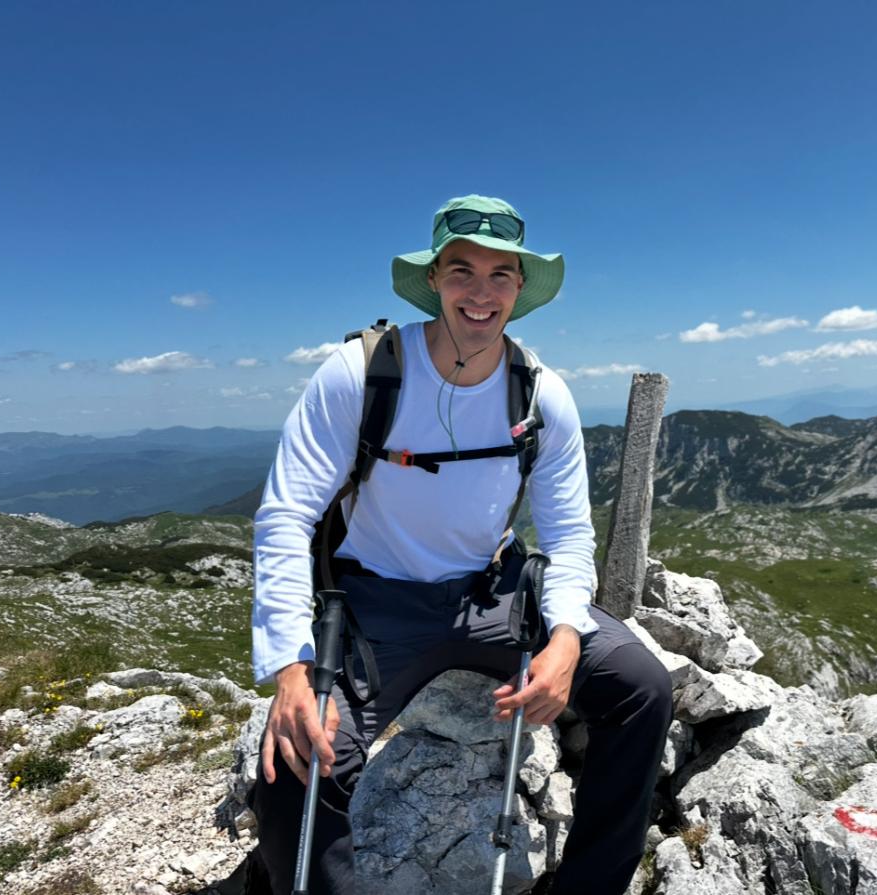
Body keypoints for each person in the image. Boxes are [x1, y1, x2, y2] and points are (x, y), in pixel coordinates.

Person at [246, 195, 674, 895]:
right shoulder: (363, 372)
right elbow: (287, 513)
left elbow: (569, 534)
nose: (482, 292)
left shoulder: (539, 394)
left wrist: (567, 638)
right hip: (375, 605)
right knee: (295, 768)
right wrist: (291, 668)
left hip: (494, 593)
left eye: (501, 274)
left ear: (520, 288)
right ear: (434, 279)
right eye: (462, 271)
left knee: (642, 687)